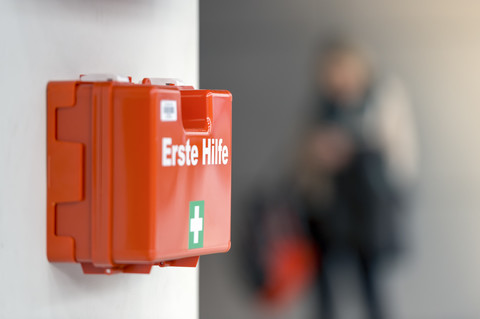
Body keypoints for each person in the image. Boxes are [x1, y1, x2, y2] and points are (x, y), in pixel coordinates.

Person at [295, 39, 418, 319]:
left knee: (371, 289)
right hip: (330, 210)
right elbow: (302, 156)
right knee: (324, 293)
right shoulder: (323, 107)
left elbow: (394, 148)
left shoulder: (382, 95)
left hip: (368, 211)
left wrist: (347, 146)